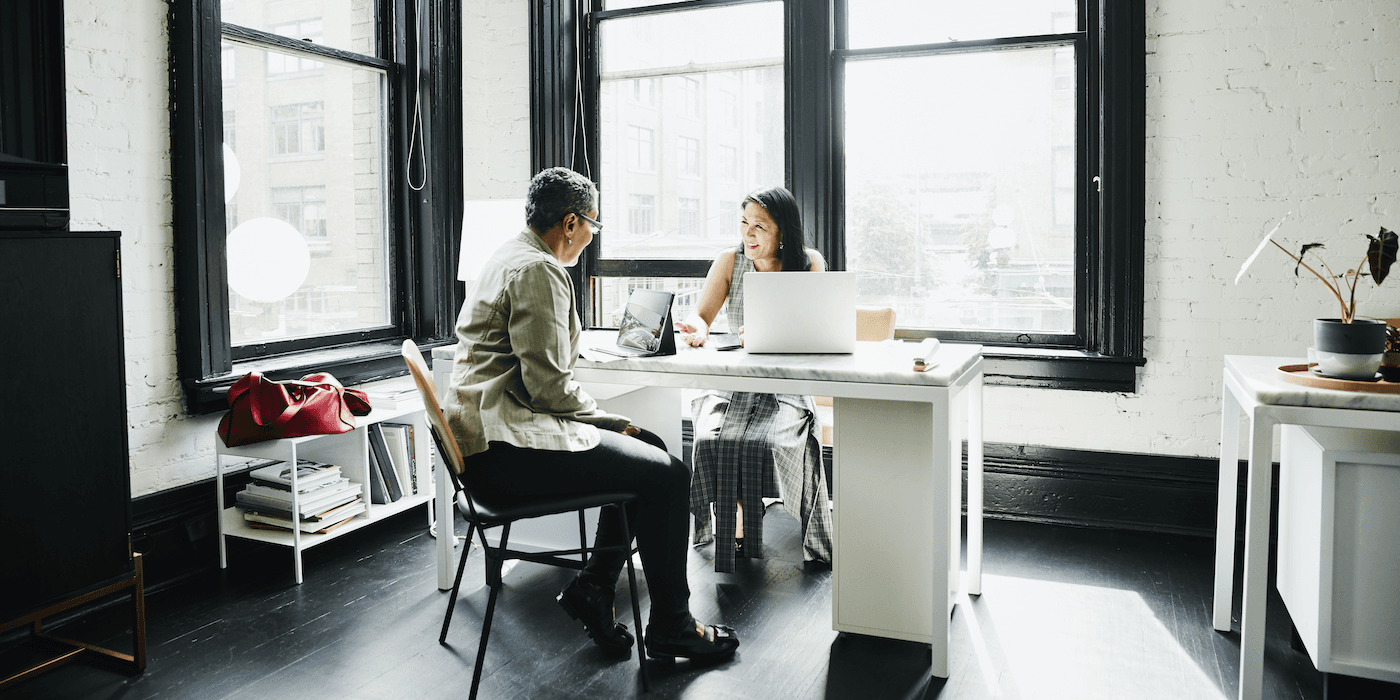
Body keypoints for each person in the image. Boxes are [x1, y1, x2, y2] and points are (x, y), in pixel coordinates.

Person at [442, 167, 739, 661]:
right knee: (669, 475)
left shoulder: (508, 255)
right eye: (593, 227)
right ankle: (671, 626)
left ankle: (597, 587)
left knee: (652, 451)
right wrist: (609, 422)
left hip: (483, 442)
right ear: (571, 223)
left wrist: (607, 423)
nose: (591, 238)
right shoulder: (539, 270)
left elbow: (540, 377)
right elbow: (550, 388)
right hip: (505, 453)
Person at [673, 186, 834, 573]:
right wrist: (695, 329)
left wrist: (769, 332)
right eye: (744, 223)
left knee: (776, 439)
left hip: (786, 385)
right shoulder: (729, 261)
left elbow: (817, 327)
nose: (749, 233)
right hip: (736, 381)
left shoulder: (808, 263)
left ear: (783, 232)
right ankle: (738, 525)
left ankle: (780, 524)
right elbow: (702, 317)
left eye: (760, 226)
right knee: (716, 437)